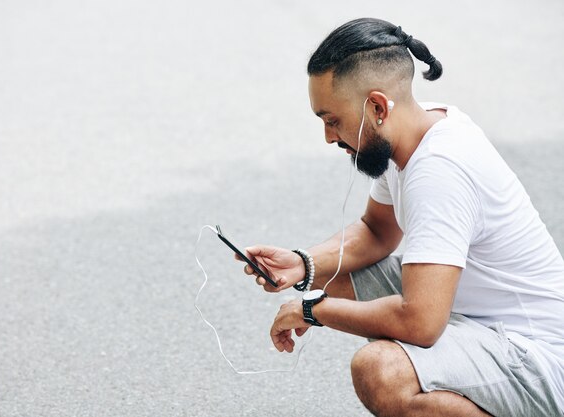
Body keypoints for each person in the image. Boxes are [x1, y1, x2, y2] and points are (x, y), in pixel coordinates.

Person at [237, 18, 564, 417]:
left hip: (538, 360)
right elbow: (376, 232)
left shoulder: (439, 170)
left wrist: (310, 309)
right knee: (332, 276)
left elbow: (420, 322)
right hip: (475, 317)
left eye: (332, 120)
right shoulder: (415, 125)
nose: (327, 137)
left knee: (381, 371)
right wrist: (303, 265)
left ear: (376, 106)